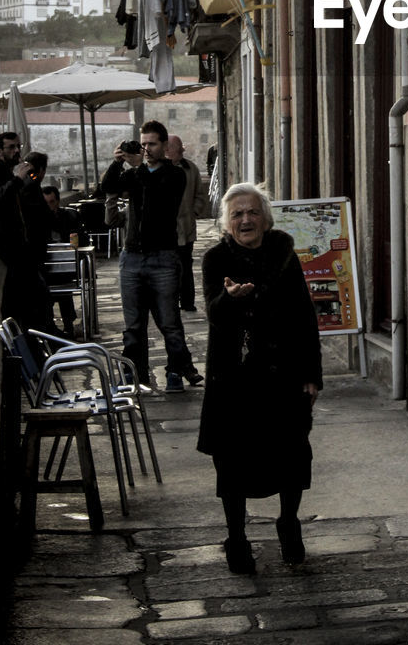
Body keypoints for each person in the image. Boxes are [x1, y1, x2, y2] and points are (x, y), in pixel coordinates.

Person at [197, 184, 322, 575]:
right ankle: (236, 537)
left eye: (252, 213)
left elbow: (304, 315)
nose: (245, 220)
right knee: (231, 462)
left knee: (291, 454)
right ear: (227, 222)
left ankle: (289, 523)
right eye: (237, 215)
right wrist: (230, 299)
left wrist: (311, 374)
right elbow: (214, 315)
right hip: (233, 379)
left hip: (282, 374)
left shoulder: (283, 248)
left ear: (265, 218)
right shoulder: (216, 259)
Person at [100, 120, 203, 393]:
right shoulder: (135, 174)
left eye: (151, 144)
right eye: (143, 144)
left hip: (164, 258)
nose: (146, 149)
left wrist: (136, 166)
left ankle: (175, 372)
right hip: (132, 258)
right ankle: (137, 376)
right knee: (133, 326)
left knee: (170, 322)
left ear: (164, 146)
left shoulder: (174, 174)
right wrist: (117, 162)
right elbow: (107, 186)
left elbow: (158, 190)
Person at [0, 134, 53, 330]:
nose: (16, 151)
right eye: (11, 147)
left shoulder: (11, 174)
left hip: (19, 245)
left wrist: (28, 180)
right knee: (24, 300)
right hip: (7, 246)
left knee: (36, 297)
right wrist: (18, 179)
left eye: (17, 147)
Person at [165, 135, 210, 312]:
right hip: (165, 229)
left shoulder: (190, 168)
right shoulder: (159, 169)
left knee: (185, 265)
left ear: (178, 149)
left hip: (186, 227)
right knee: (167, 267)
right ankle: (169, 302)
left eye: (170, 147)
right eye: (166, 146)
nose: (167, 150)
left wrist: (193, 213)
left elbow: (200, 195)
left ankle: (187, 301)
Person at [41, 184, 86, 338]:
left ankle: (67, 324)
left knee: (62, 284)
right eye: (45, 203)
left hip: (66, 267)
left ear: (58, 201)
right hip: (46, 268)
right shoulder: (38, 221)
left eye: (52, 202)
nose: (49, 206)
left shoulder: (69, 217)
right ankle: (58, 325)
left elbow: (83, 239)